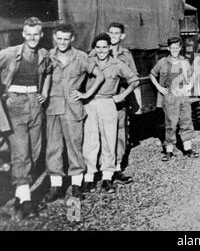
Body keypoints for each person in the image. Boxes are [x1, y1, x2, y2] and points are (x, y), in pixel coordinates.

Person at [44, 24, 105, 202]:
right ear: (55, 38)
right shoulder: (48, 57)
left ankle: (76, 185)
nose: (62, 42)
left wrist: (86, 94)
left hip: (73, 109)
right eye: (59, 38)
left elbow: (99, 75)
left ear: (72, 39)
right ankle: (56, 186)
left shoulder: (81, 57)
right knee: (53, 148)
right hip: (53, 108)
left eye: (66, 39)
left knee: (74, 146)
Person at [0, 17, 52, 219]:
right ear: (23, 34)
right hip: (15, 104)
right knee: (21, 152)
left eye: (36, 34)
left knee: (35, 151)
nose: (32, 38)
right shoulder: (9, 53)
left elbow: (47, 72)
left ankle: (20, 198)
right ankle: (27, 200)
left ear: (41, 35)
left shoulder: (43, 54)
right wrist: (3, 94)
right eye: (28, 34)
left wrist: (45, 93)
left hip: (35, 103)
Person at [82, 34, 140, 194]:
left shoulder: (117, 64)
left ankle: (107, 177)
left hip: (108, 103)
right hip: (90, 104)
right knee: (90, 140)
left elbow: (134, 80)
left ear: (109, 48)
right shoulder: (89, 62)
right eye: (98, 47)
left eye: (104, 47)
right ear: (94, 48)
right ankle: (89, 177)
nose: (101, 50)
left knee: (109, 139)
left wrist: (122, 96)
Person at [150, 37, 199, 162]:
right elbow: (152, 74)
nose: (174, 50)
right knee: (171, 124)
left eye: (177, 47)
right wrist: (159, 88)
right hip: (170, 96)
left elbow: (193, 74)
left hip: (183, 95)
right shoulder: (163, 62)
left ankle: (188, 149)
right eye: (172, 47)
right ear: (168, 48)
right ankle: (169, 151)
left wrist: (189, 86)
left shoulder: (184, 62)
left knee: (186, 121)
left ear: (180, 48)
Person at [105, 23, 141, 184]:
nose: (113, 35)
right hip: (101, 100)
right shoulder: (97, 52)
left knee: (119, 134)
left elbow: (134, 77)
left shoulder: (126, 55)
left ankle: (117, 168)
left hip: (118, 100)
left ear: (122, 36)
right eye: (111, 32)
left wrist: (125, 95)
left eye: (116, 33)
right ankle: (100, 171)